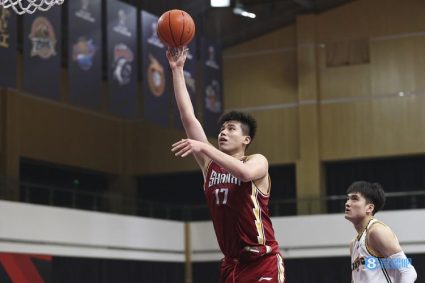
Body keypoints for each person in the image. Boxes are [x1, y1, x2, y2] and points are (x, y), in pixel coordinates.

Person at [167, 48, 285, 283]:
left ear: (246, 140)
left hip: (262, 261)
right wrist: (177, 69)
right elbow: (188, 117)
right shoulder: (210, 166)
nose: (222, 132)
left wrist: (204, 147)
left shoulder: (256, 161)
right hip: (231, 264)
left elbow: (243, 173)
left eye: (231, 129)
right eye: (221, 129)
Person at [345, 181, 417, 283]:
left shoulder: (376, 231)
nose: (347, 203)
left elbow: (408, 271)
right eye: (347, 199)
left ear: (369, 208)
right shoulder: (353, 244)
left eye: (354, 199)